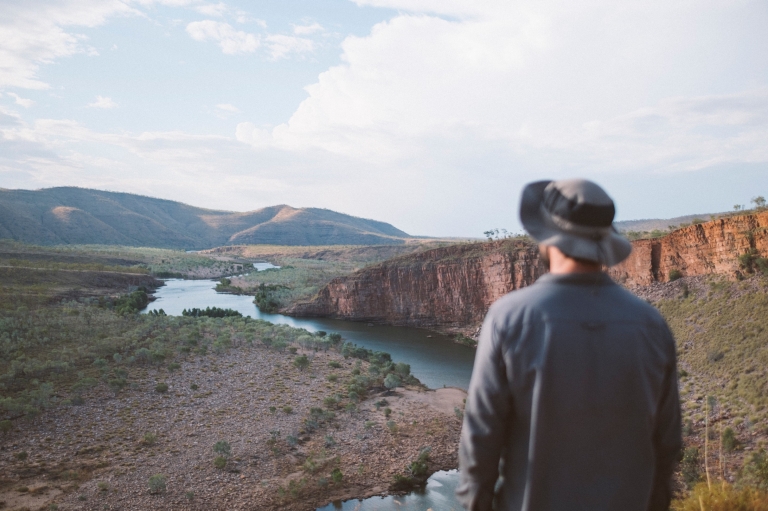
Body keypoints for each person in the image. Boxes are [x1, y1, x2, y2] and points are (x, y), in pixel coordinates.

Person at [456, 179, 681, 511]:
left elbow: (481, 439)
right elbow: (667, 443)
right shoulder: (651, 325)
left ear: (547, 237)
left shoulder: (509, 318)